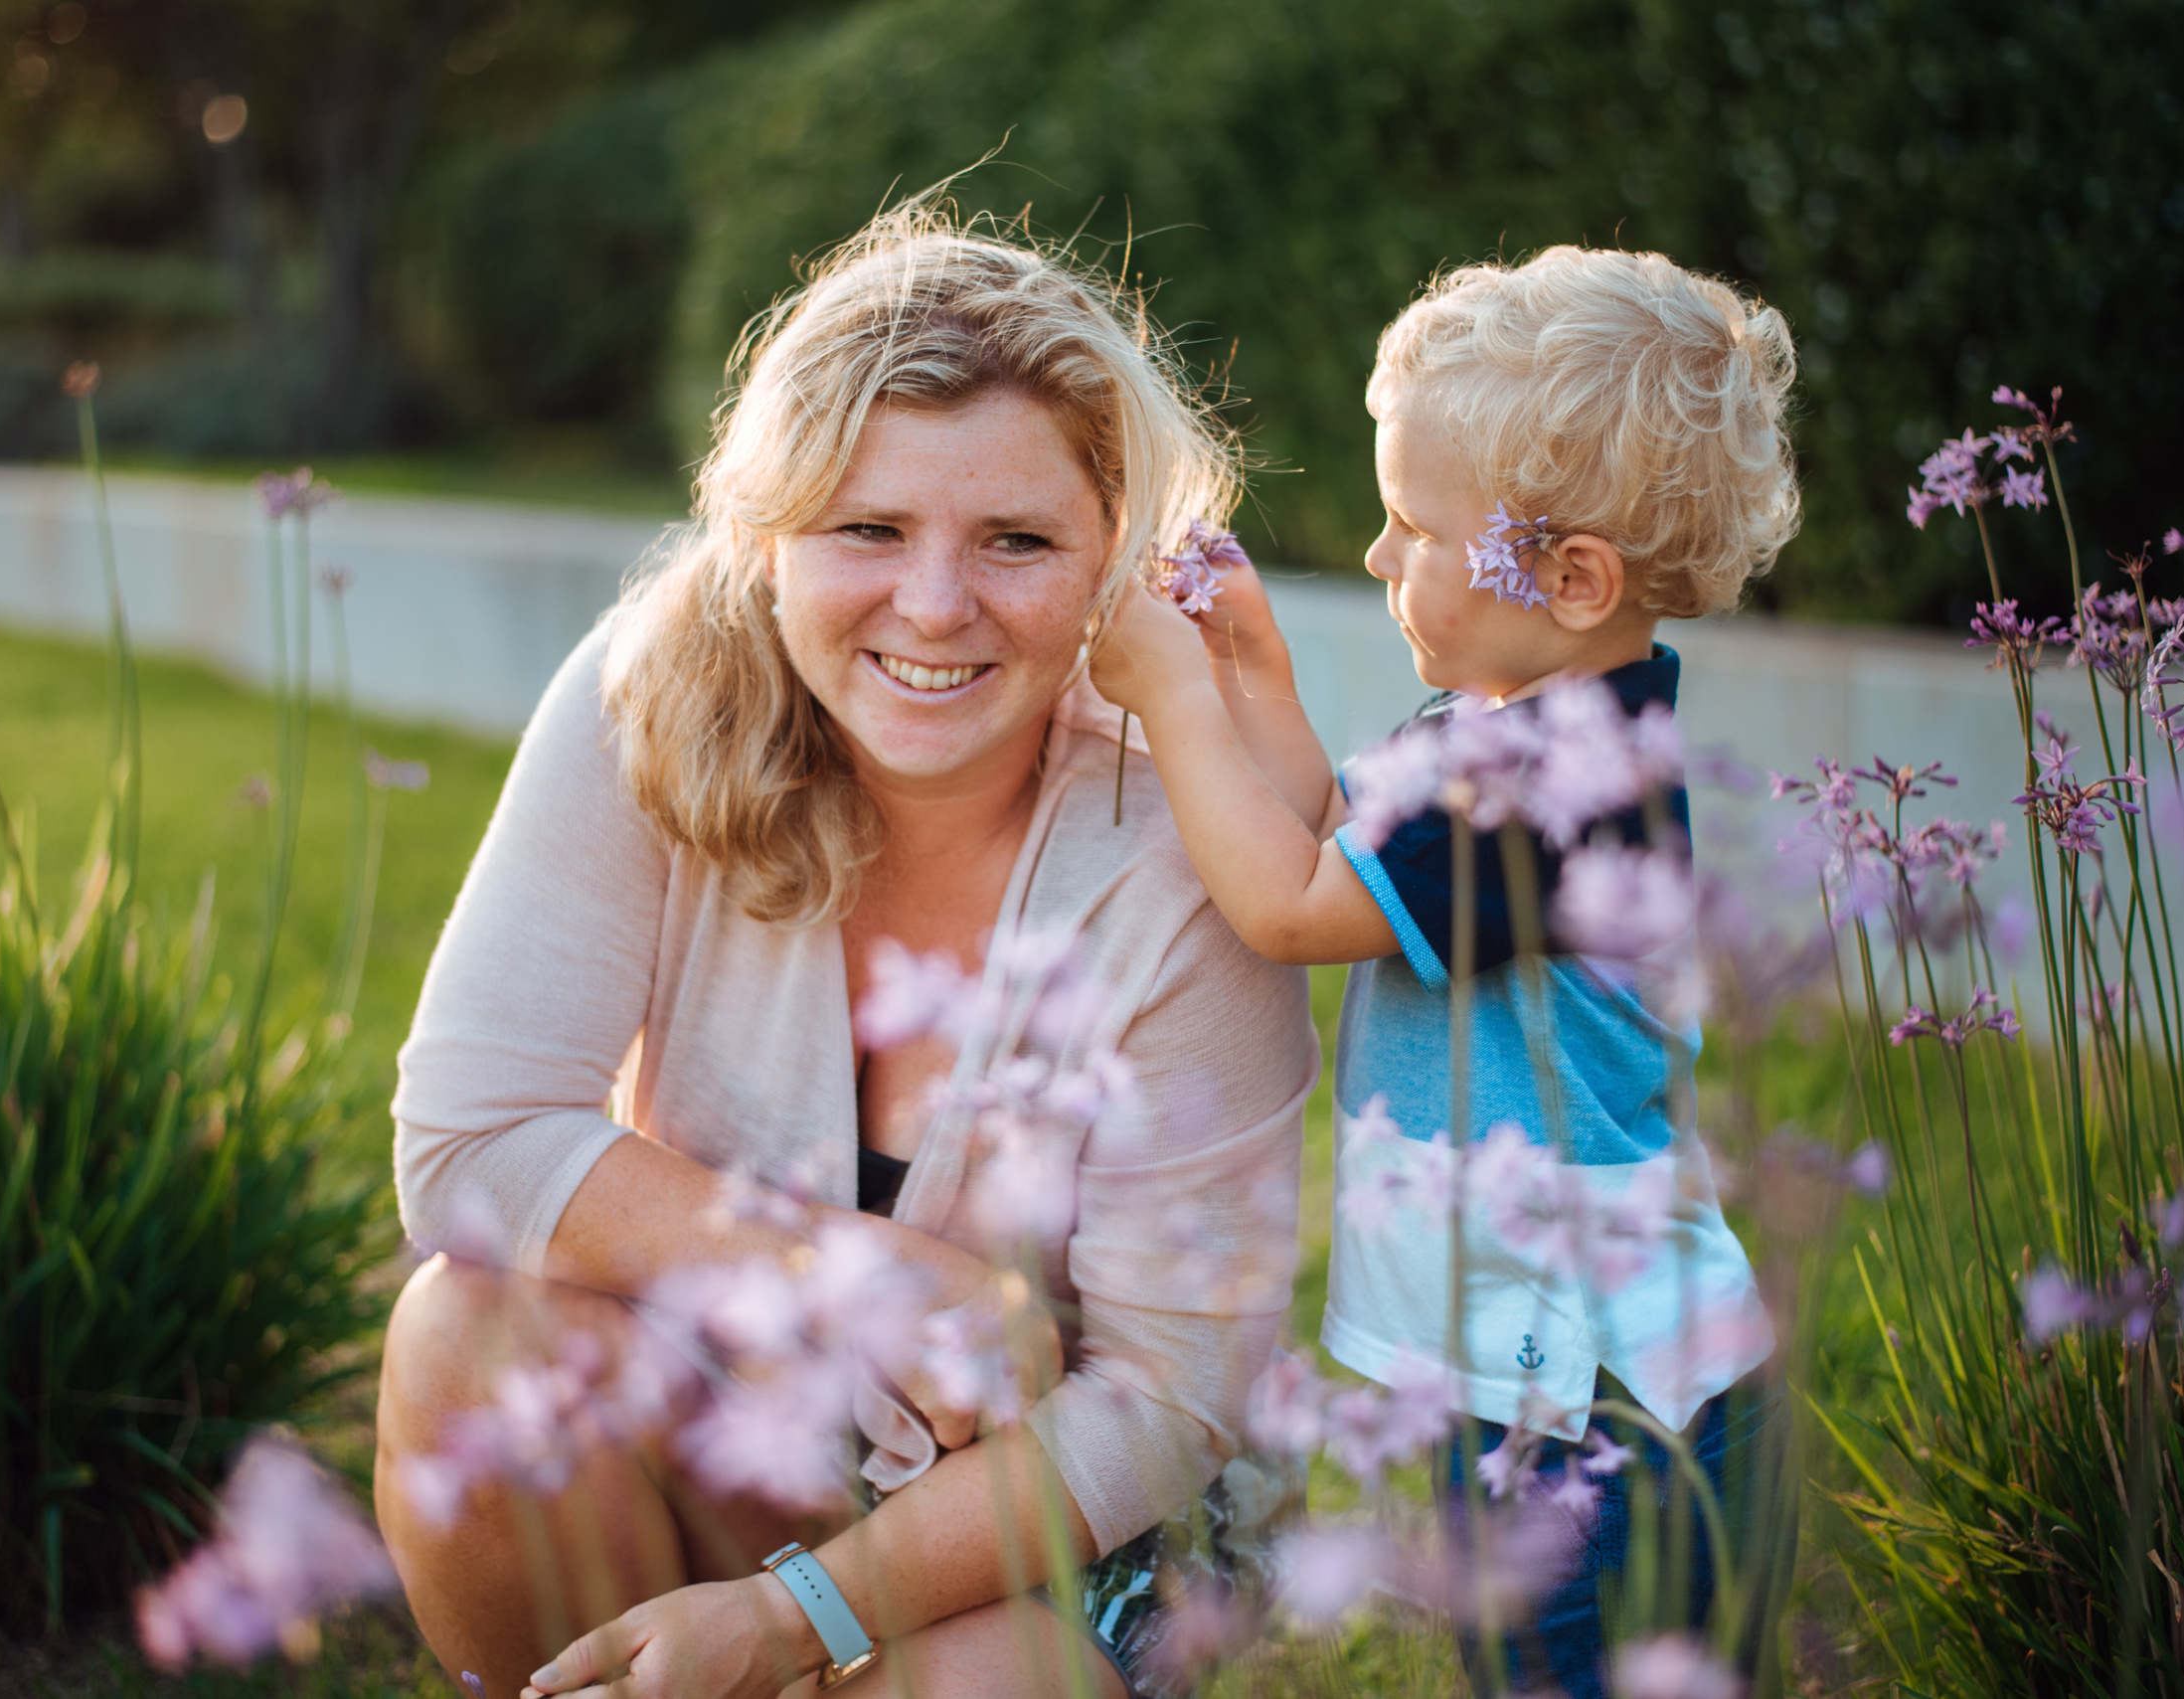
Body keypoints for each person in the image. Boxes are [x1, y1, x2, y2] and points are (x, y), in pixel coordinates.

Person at [373, 207, 1318, 1699]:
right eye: (867, 529)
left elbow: (1164, 1396)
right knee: (463, 1340)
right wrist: (877, 1275)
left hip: (1059, 1514)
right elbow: (470, 1140)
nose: (934, 607)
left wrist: (790, 1612)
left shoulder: (1195, 845)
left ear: (1115, 564)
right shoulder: (648, 699)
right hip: (730, 1412)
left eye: (1017, 541)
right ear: (767, 539)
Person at [1089, 245, 1798, 1697]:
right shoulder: (1500, 729)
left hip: (1605, 1401)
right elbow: (1325, 843)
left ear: (1573, 577)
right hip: (1539, 1365)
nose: (1377, 555)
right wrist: (1252, 676)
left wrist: (1170, 699)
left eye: (1412, 526)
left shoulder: (1550, 789)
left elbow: (1289, 909)